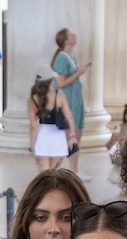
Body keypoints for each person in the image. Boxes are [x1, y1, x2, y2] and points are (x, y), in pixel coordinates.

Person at [51, 28, 91, 180]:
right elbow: (61, 82)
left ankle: (74, 170)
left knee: (76, 136)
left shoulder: (71, 56)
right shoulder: (62, 58)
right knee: (68, 137)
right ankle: (57, 170)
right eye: (72, 35)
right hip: (68, 101)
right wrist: (78, 73)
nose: (75, 36)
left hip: (76, 100)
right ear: (66, 41)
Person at [28, 73, 75, 171]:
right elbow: (69, 117)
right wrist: (72, 137)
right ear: (51, 80)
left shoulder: (32, 99)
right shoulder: (59, 95)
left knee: (44, 175)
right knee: (54, 174)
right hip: (58, 137)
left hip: (42, 137)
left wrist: (32, 146)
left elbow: (33, 126)